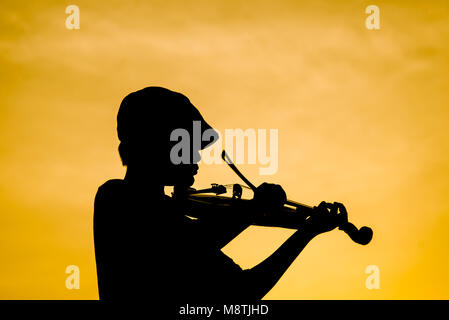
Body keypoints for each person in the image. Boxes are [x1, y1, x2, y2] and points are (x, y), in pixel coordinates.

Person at [93, 86, 348, 302]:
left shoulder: (175, 219)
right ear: (157, 144)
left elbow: (245, 291)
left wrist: (306, 233)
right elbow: (185, 244)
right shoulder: (115, 197)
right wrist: (253, 209)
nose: (196, 156)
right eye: (185, 144)